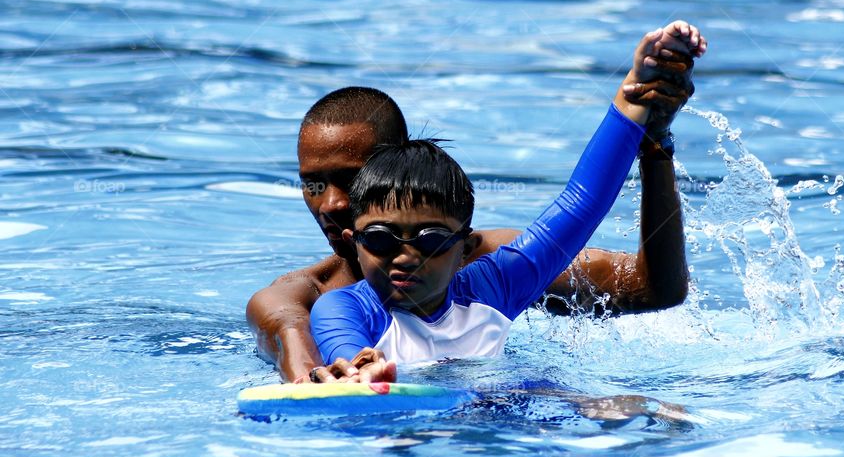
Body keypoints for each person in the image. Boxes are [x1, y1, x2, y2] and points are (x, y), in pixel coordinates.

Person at [247, 21, 707, 383]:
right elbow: (302, 348)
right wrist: (344, 371)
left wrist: (651, 139)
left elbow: (646, 278)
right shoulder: (311, 299)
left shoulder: (492, 273)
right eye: (312, 185)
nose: (328, 204)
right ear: (355, 236)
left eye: (351, 180)